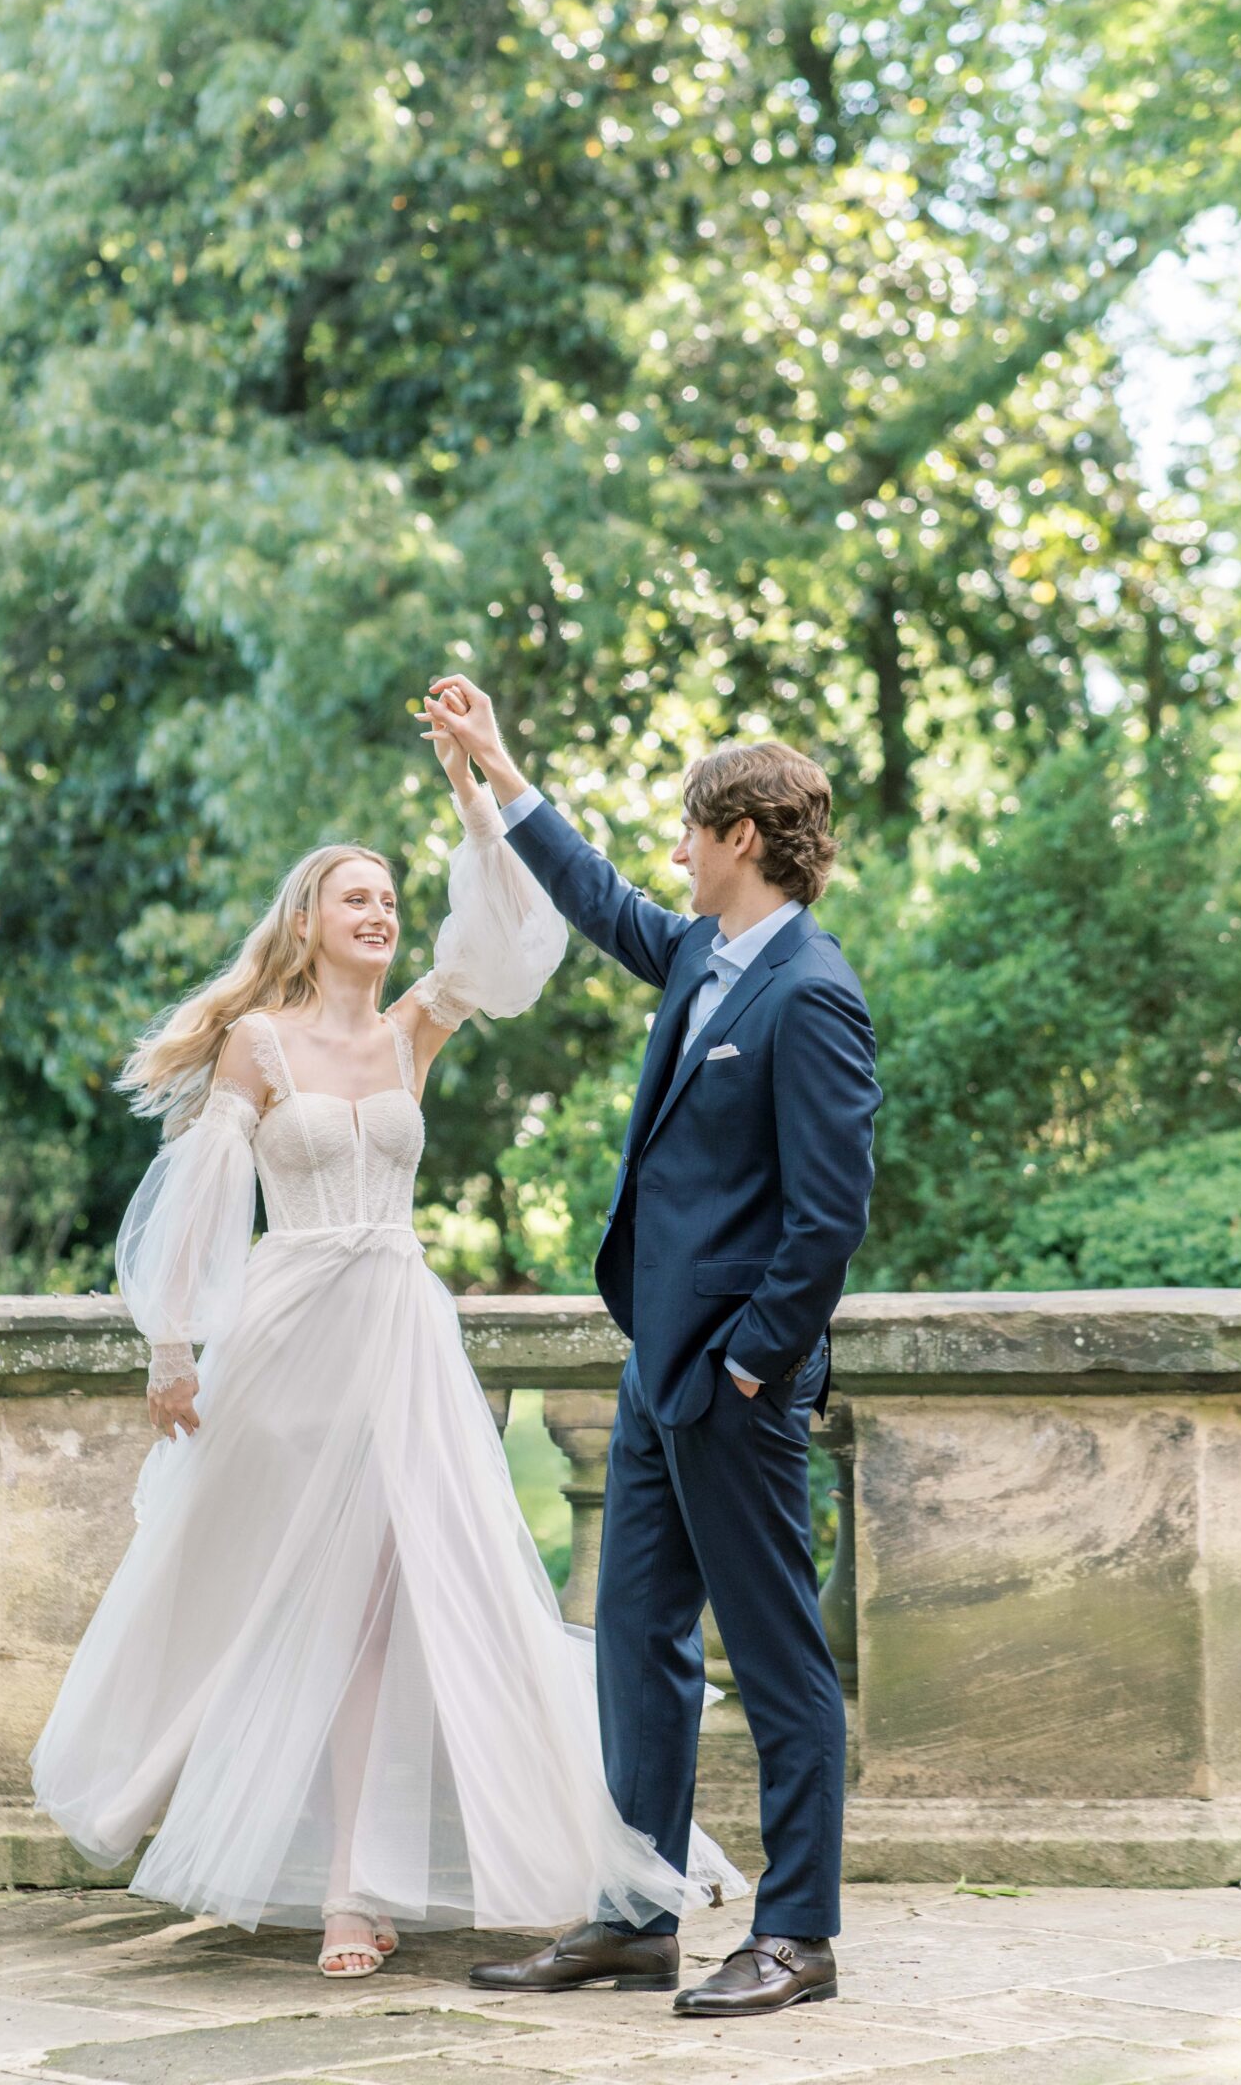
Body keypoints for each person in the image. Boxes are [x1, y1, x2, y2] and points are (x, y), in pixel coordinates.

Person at [29, 714, 745, 1980]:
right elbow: (199, 1194)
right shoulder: (259, 1045)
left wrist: (479, 798)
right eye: (357, 898)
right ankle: (184, 1789)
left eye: (391, 899)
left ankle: (357, 1885)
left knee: (387, 1602)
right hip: (291, 1334)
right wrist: (171, 1345)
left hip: (399, 1334)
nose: (381, 914)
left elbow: (513, 940)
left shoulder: (415, 1024)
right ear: (308, 923)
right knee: (264, 1585)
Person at [422, 675, 879, 2019]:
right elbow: (597, 896)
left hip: (725, 1386)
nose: (673, 852)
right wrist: (497, 769)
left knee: (777, 1654)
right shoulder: (699, 954)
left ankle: (797, 1935)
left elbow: (826, 1214)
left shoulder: (808, 993)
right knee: (633, 1638)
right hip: (652, 1371)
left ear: (740, 835)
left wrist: (749, 1364)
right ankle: (632, 1915)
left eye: (689, 829)